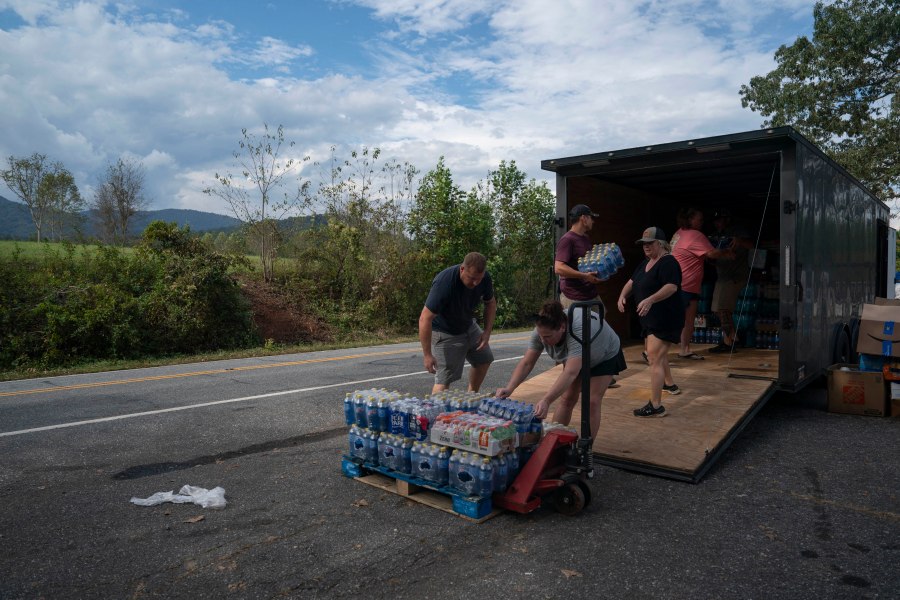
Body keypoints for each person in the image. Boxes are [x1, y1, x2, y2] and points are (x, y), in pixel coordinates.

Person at [496, 299, 625, 440]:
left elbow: (571, 372)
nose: (543, 340)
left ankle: (586, 449)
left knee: (592, 402)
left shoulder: (578, 330)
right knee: (567, 398)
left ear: (562, 327)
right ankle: (553, 441)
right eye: (540, 336)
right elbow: (527, 363)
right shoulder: (542, 328)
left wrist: (546, 400)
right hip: (579, 355)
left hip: (604, 354)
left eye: (547, 337)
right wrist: (510, 388)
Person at [617, 226, 683, 417]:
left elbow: (672, 287)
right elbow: (631, 282)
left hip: (665, 318)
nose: (646, 247)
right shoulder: (645, 263)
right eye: (643, 244)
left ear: (661, 244)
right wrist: (622, 295)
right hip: (649, 319)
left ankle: (655, 406)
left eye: (650, 243)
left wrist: (650, 299)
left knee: (654, 358)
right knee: (657, 357)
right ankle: (670, 385)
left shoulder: (668, 262)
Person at [419, 252, 497, 393]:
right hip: (445, 331)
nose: (475, 283)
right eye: (472, 278)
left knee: (484, 359)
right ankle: (436, 413)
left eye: (479, 279)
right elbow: (425, 318)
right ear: (462, 269)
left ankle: (471, 397)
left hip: (468, 325)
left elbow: (490, 303)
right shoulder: (445, 282)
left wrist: (487, 333)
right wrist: (427, 355)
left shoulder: (485, 278)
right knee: (445, 379)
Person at [669, 207, 734, 360]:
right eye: (700, 219)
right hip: (685, 283)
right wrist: (727, 252)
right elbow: (711, 253)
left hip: (683, 283)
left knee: (686, 319)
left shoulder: (678, 233)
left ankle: (684, 349)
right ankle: (654, 349)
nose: (703, 222)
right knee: (678, 320)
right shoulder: (696, 235)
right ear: (690, 220)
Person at [708, 209, 753, 354]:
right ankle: (734, 339)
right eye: (715, 220)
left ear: (727, 219)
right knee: (717, 309)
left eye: (720, 219)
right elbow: (711, 257)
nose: (717, 223)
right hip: (722, 276)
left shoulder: (738, 231)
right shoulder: (715, 235)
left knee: (723, 309)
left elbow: (753, 245)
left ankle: (727, 343)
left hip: (735, 276)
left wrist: (739, 241)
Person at [555, 204, 603, 310]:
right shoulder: (567, 240)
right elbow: (559, 268)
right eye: (591, 218)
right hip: (573, 297)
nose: (593, 221)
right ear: (584, 219)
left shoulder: (585, 238)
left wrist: (597, 274)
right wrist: (585, 276)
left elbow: (586, 264)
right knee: (577, 327)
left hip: (590, 294)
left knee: (600, 322)